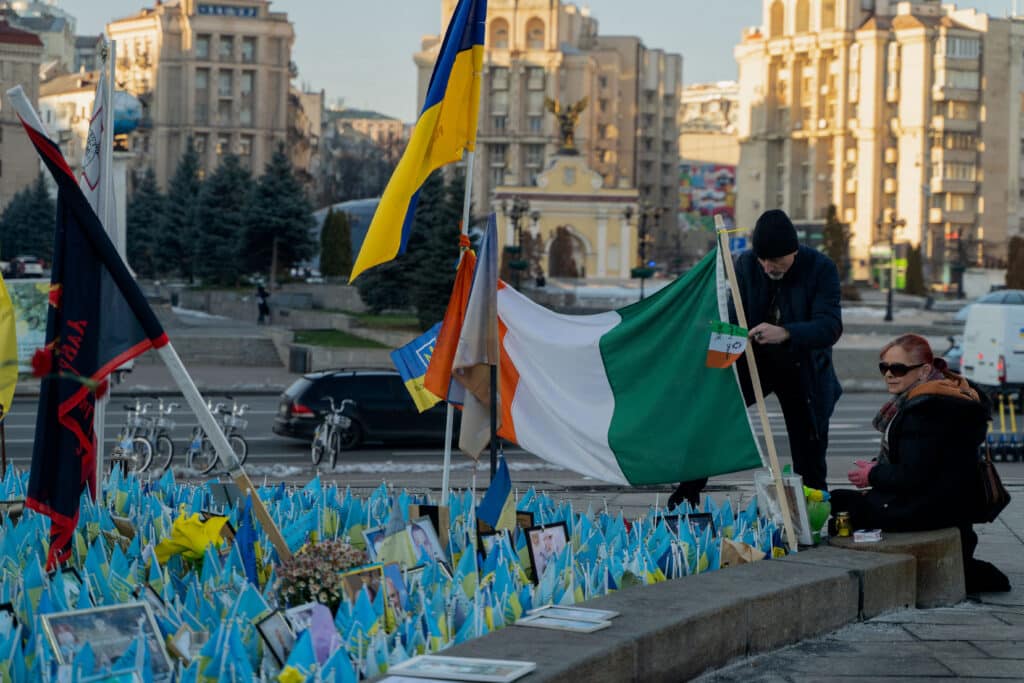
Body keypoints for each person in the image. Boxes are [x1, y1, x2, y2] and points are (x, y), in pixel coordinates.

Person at [670, 209, 842, 507]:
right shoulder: (747, 264)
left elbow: (830, 327)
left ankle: (812, 515)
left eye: (776, 260)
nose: (767, 266)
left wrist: (786, 332)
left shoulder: (821, 268)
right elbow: (733, 317)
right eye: (762, 259)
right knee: (713, 417)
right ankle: (687, 494)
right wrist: (718, 361)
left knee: (809, 453)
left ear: (794, 251)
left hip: (804, 372)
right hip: (754, 364)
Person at [830, 334, 1010, 593]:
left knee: (840, 503)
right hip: (951, 505)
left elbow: (913, 476)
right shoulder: (950, 393)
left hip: (929, 507)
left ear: (925, 370)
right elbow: (924, 462)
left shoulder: (925, 410)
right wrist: (877, 471)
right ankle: (969, 569)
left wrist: (873, 475)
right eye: (884, 367)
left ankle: (866, 583)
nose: (889, 375)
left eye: (898, 368)